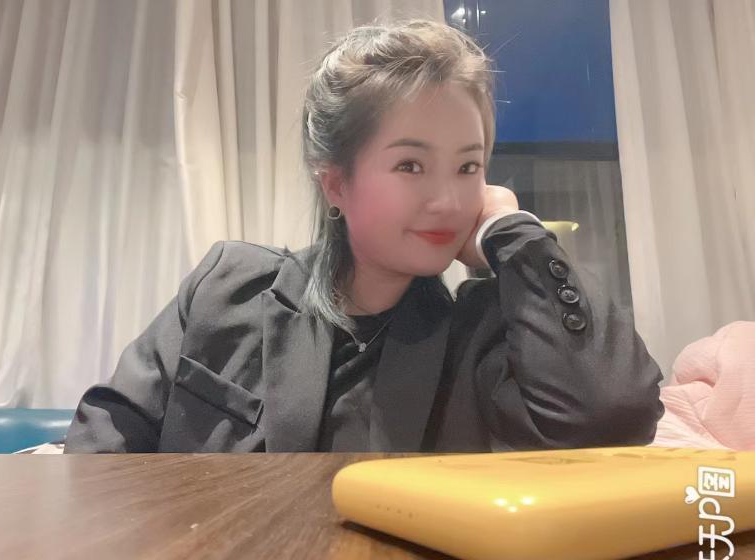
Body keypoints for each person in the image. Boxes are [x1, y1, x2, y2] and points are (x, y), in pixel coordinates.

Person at [64, 19, 664, 453]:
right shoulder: (229, 287)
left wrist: (511, 231)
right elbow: (104, 441)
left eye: (468, 166)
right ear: (335, 183)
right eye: (410, 165)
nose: (447, 200)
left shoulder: (479, 333)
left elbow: (612, 413)